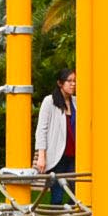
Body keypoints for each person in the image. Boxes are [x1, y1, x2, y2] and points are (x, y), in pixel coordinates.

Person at [32, 66, 79, 206]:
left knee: (76, 193)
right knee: (57, 195)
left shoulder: (76, 102)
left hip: (74, 155)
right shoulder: (49, 101)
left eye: (75, 81)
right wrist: (41, 155)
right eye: (69, 81)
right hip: (57, 155)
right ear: (60, 83)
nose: (73, 84)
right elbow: (42, 129)